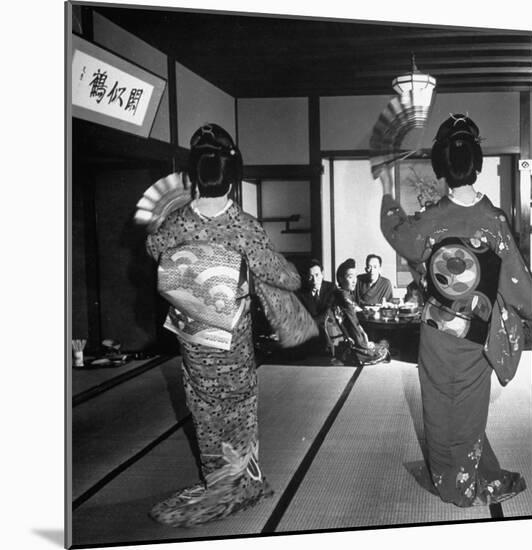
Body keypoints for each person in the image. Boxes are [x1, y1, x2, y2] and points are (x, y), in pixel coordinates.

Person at [143, 123, 313, 528]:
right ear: (232, 175)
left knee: (202, 406)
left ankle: (217, 478)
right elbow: (285, 278)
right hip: (231, 337)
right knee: (238, 406)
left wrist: (193, 264)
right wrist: (288, 275)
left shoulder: (177, 224)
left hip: (193, 333)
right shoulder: (244, 227)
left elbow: (153, 247)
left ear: (194, 174)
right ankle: (238, 485)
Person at [378, 114, 532, 506]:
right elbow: (518, 286)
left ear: (441, 167)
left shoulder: (431, 217)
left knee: (437, 406)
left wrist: (388, 197)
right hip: (474, 335)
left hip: (435, 331)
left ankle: (450, 476)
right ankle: (462, 480)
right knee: (468, 408)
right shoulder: (494, 221)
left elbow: (401, 237)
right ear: (477, 163)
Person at [333, 258, 389, 364]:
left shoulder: (344, 294)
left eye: (355, 276)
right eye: (350, 277)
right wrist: (364, 344)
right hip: (354, 342)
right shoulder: (344, 297)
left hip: (355, 335)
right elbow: (353, 325)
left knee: (383, 344)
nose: (354, 280)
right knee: (384, 350)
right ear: (340, 279)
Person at [297, 259, 337, 329]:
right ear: (306, 277)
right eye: (311, 276)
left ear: (322, 274)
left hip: (329, 329)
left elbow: (327, 313)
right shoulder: (301, 293)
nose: (314, 280)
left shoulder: (331, 288)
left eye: (317, 275)